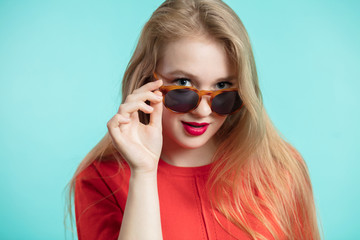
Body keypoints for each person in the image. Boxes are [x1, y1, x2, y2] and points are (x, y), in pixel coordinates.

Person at [65, 0, 322, 239]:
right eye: (183, 84)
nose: (203, 111)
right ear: (146, 80)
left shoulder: (281, 170)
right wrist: (143, 173)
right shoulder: (99, 180)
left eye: (222, 87)